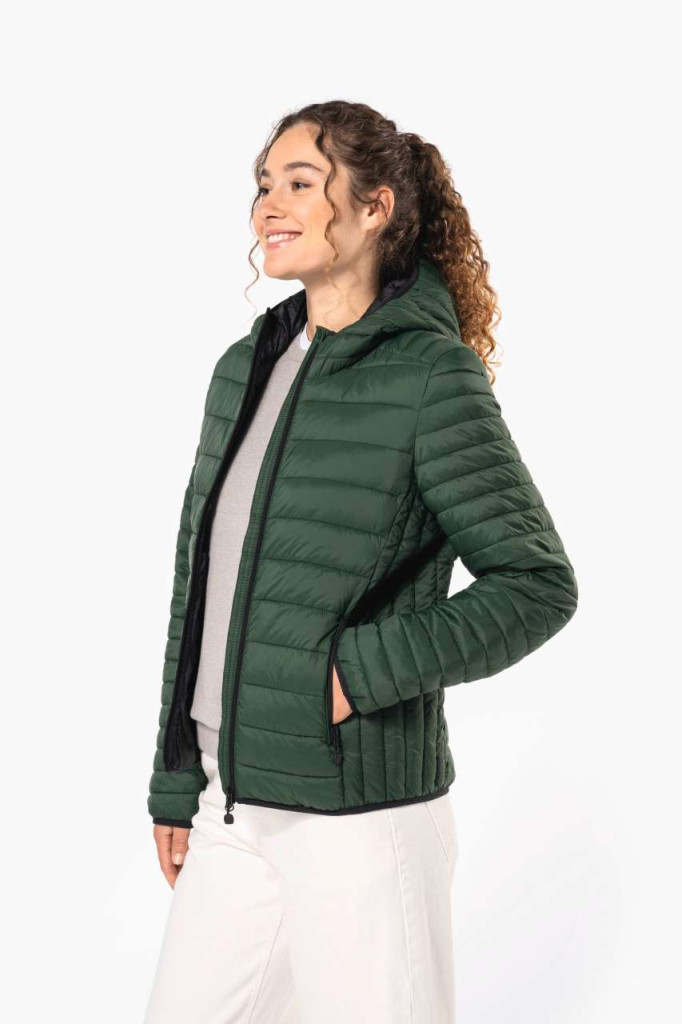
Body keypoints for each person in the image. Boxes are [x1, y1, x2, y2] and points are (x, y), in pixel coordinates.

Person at [143, 100, 578, 1023]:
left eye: (301, 183)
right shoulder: (245, 367)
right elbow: (200, 581)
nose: (270, 205)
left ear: (375, 208)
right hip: (233, 804)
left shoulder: (430, 376)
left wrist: (355, 672)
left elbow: (537, 583)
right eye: (265, 184)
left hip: (362, 823)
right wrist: (176, 775)